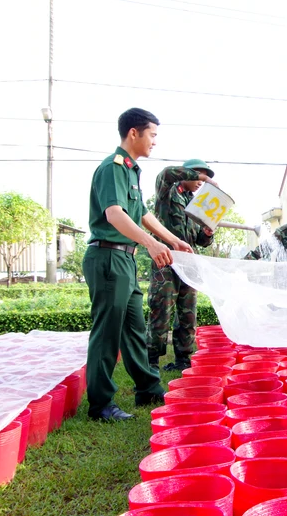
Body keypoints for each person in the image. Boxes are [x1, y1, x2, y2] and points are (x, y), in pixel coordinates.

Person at [83, 108, 194, 421]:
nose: (155, 142)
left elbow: (142, 214)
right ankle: (101, 405)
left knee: (133, 329)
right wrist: (152, 243)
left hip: (125, 259)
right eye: (153, 135)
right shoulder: (112, 168)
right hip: (107, 257)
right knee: (106, 332)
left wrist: (171, 239)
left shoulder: (131, 170)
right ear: (134, 133)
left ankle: (147, 387)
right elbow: (115, 215)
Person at [148, 159, 218, 372]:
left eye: (204, 176)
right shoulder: (167, 191)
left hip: (188, 265)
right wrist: (202, 177)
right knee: (161, 312)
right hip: (165, 261)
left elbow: (198, 239)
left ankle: (183, 360)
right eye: (198, 175)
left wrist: (207, 233)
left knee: (188, 314)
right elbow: (167, 172)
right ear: (187, 174)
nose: (200, 181)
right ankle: (150, 363)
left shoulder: (193, 203)